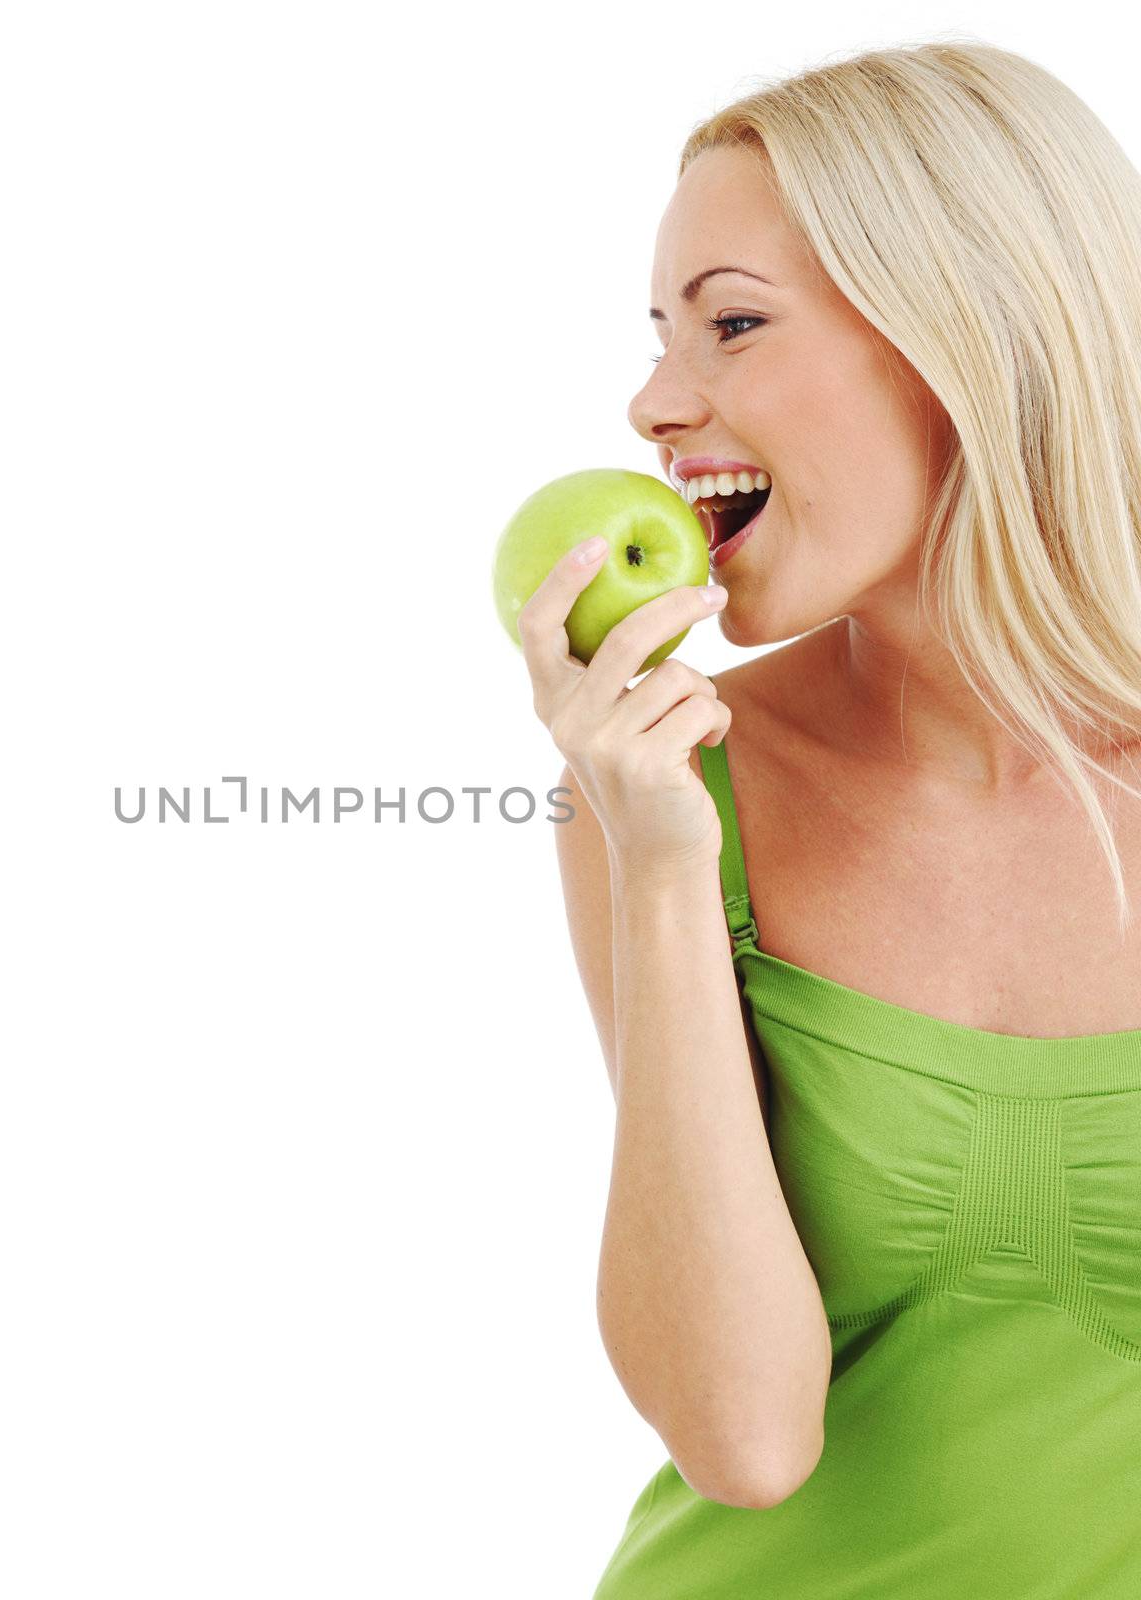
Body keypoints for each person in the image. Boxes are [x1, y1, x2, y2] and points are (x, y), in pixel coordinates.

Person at [517, 37, 1141, 1597]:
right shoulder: (676, 795)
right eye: (661, 337)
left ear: (968, 337)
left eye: (730, 325)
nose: (657, 403)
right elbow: (743, 1438)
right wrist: (659, 861)